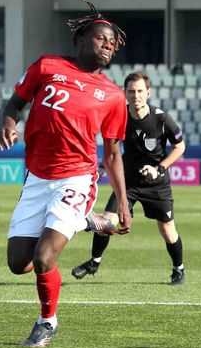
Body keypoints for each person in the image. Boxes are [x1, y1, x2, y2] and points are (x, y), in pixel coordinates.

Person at [0, 0, 132, 348]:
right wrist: (8, 124)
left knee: (44, 257)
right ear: (81, 39)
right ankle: (84, 220)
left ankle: (47, 322)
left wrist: (124, 204)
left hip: (77, 178)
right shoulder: (46, 66)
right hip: (37, 177)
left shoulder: (114, 96)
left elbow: (114, 153)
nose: (107, 45)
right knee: (18, 263)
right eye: (102, 38)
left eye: (112, 44)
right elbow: (14, 104)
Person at [71, 71, 187, 285]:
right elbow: (112, 150)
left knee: (167, 231)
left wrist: (159, 168)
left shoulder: (161, 118)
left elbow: (180, 146)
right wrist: (100, 171)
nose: (136, 96)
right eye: (131, 91)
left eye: (140, 91)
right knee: (106, 223)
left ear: (148, 93)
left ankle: (178, 270)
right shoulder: (119, 117)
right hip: (127, 182)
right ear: (125, 93)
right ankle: (94, 262)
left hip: (156, 184)